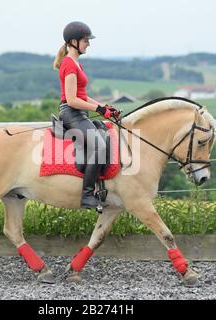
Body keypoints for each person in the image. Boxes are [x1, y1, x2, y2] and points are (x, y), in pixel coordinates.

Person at [53, 21, 119, 209]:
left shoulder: (76, 63)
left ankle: (101, 186)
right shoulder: (69, 65)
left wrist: (105, 107)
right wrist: (99, 110)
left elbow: (83, 95)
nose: (88, 43)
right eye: (85, 40)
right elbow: (72, 100)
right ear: (74, 41)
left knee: (104, 134)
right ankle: (87, 196)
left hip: (78, 112)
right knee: (98, 146)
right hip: (71, 113)